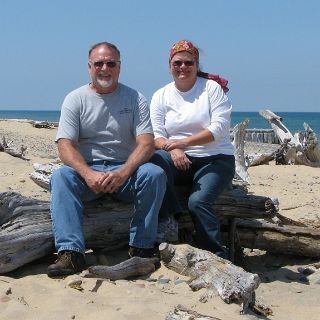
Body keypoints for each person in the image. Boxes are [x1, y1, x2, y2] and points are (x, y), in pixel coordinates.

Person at [47, 42, 166, 277]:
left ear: (119, 67)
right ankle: (71, 253)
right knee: (61, 176)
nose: (105, 68)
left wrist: (123, 172)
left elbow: (146, 143)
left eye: (111, 63)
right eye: (99, 63)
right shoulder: (75, 99)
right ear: (89, 67)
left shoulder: (135, 98)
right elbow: (65, 145)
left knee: (154, 174)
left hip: (125, 173)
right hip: (88, 173)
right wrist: (87, 173)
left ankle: (142, 247)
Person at [150, 40, 235, 258]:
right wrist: (173, 150)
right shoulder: (161, 95)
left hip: (215, 160)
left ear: (196, 65)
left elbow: (219, 129)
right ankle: (170, 220)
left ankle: (216, 254)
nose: (183, 67)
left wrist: (182, 143)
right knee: (155, 161)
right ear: (169, 64)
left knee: (197, 202)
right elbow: (156, 135)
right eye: (177, 62)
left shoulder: (211, 89)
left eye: (189, 62)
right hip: (179, 159)